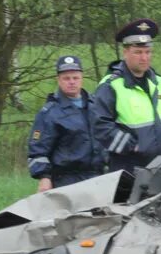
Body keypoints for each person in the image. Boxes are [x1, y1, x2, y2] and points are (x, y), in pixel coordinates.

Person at [91, 18, 161, 174]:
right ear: (125, 52)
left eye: (147, 52)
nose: (144, 58)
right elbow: (100, 126)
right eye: (138, 52)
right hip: (129, 169)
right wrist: (134, 146)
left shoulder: (160, 83)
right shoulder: (111, 85)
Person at [27, 56, 105, 192]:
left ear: (82, 78)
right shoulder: (49, 113)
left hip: (99, 177)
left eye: (75, 78)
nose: (72, 82)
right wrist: (44, 177)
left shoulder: (96, 106)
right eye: (66, 78)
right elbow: (37, 151)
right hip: (66, 181)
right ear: (58, 80)